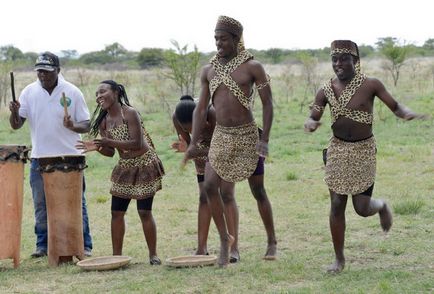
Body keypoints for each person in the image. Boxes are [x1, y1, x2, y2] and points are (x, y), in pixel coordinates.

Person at [304, 40, 424, 273]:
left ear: (355, 61)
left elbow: (396, 107)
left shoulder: (371, 84)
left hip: (363, 150)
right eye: (334, 59)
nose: (338, 64)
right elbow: (314, 114)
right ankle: (339, 259)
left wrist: (409, 114)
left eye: (344, 59)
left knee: (361, 207)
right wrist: (311, 123)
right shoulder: (325, 89)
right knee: (337, 204)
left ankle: (380, 206)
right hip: (337, 150)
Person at [184, 16, 274, 267]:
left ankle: (272, 241)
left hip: (247, 135)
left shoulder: (253, 67)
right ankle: (225, 240)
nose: (218, 43)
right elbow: (201, 108)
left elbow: (268, 103)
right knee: (210, 187)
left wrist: (264, 138)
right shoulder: (208, 70)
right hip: (221, 136)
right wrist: (193, 142)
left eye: (223, 38)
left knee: (258, 190)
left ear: (236, 39)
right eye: (215, 38)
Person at [172, 95, 277, 262]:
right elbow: (190, 145)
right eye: (187, 129)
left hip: (240, 143)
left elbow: (223, 149)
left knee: (237, 193)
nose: (191, 132)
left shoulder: (215, 114)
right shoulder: (177, 117)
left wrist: (193, 152)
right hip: (207, 149)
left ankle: (243, 247)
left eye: (194, 127)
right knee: (204, 196)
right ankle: (202, 249)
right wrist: (189, 149)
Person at [9, 52, 93, 258]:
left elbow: (87, 123)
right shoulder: (29, 92)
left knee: (75, 202)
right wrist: (13, 111)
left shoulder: (72, 91)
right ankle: (43, 245)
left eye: (47, 71)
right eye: (39, 71)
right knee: (41, 203)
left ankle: (84, 244)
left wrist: (73, 125)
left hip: (70, 156)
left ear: (58, 70)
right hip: (40, 157)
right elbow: (16, 125)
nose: (43, 75)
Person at [76, 80, 164, 265]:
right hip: (125, 166)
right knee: (116, 212)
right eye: (96, 94)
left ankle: (153, 255)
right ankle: (117, 257)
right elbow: (110, 153)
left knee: (144, 211)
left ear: (115, 92)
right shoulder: (104, 121)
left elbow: (137, 143)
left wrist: (109, 143)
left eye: (103, 91)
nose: (99, 96)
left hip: (145, 164)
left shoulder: (129, 113)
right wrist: (98, 147)